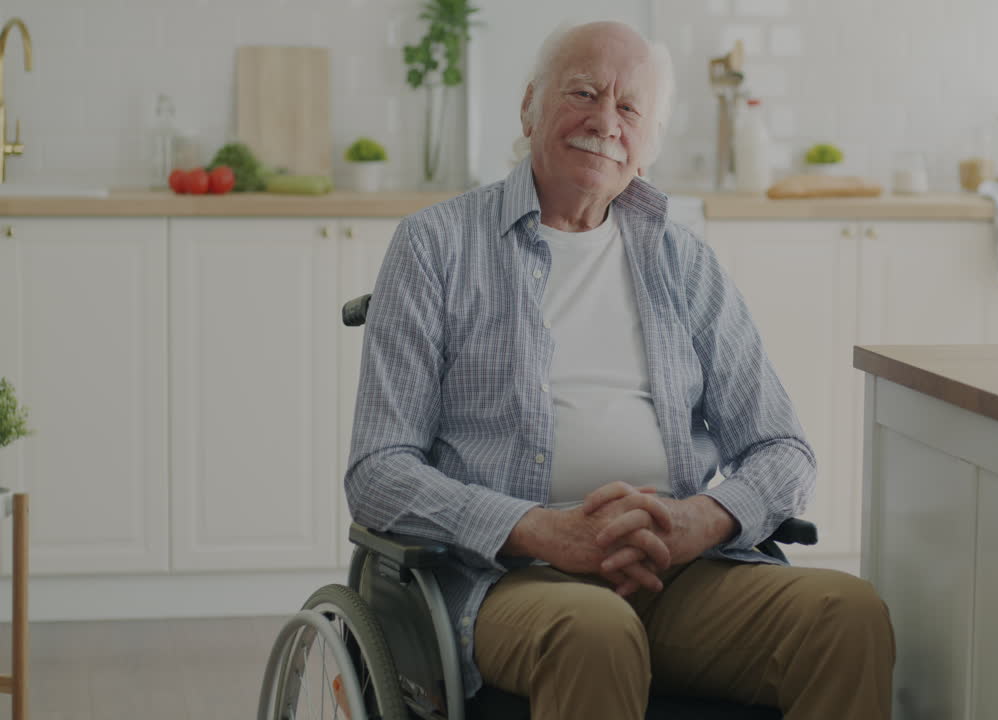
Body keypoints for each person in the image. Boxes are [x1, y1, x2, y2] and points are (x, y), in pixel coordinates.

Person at [347, 19, 894, 720]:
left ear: (650, 141)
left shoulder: (682, 258)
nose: (604, 120)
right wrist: (544, 531)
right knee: (595, 634)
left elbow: (783, 450)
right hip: (510, 577)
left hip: (676, 574)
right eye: (582, 92)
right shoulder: (437, 246)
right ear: (529, 106)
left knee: (845, 614)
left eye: (629, 107)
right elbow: (378, 472)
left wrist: (706, 517)